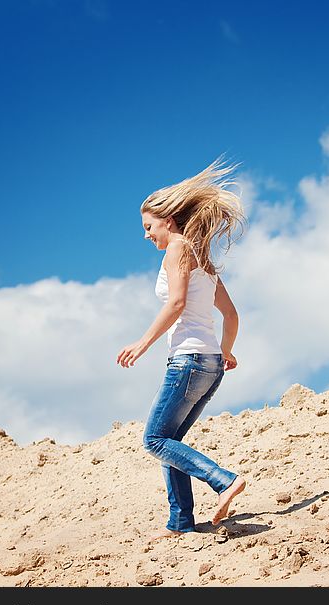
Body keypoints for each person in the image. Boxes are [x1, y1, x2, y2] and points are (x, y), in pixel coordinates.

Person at [116, 155, 247, 541]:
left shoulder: (178, 248)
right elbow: (232, 314)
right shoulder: (204, 257)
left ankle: (224, 480)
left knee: (154, 440)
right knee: (170, 442)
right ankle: (180, 523)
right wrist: (226, 351)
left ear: (168, 220)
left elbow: (175, 304)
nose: (146, 235)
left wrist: (141, 344)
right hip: (209, 365)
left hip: (188, 361)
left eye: (148, 226)